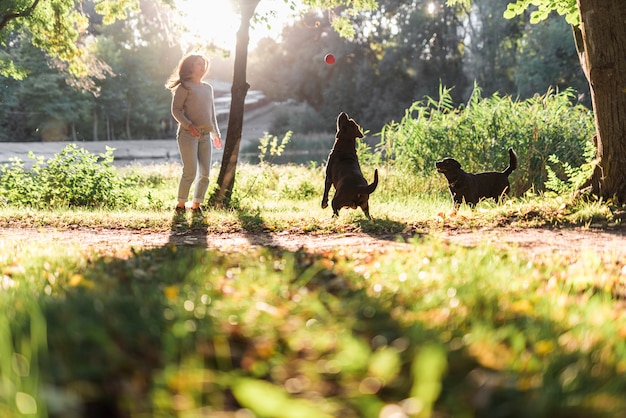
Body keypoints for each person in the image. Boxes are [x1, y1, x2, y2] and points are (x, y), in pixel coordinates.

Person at [165, 53, 223, 215]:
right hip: (187, 135)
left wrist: (215, 134)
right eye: (199, 63)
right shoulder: (184, 87)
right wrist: (188, 125)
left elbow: (211, 113)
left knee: (205, 173)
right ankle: (181, 205)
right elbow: (175, 110)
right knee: (190, 171)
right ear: (191, 67)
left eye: (204, 64)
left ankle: (196, 205)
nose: (202, 66)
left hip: (205, 136)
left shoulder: (208, 88)